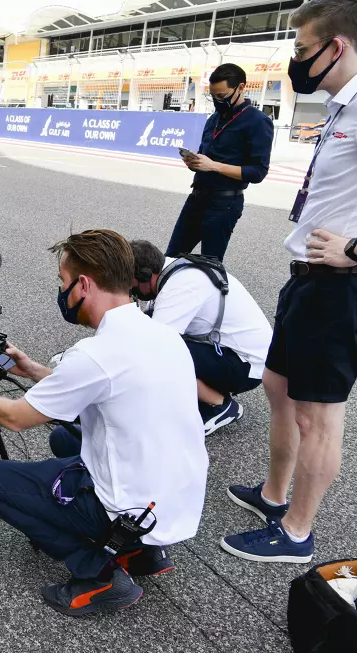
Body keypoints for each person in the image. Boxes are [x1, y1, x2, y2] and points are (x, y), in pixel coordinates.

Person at [0, 230, 207, 616]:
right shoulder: (162, 335)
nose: (61, 290)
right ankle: (143, 551)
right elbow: (98, 384)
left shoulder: (96, 353)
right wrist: (34, 369)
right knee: (64, 440)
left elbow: (15, 418)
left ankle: (99, 575)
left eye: (62, 282)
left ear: (84, 284)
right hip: (175, 499)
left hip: (131, 507)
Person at [221, 0, 357, 565]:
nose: (295, 61)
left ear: (338, 47)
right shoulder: (340, 108)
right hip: (305, 279)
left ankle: (297, 533)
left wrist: (355, 250)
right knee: (278, 389)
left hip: (338, 287)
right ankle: (275, 497)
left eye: (302, 50)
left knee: (316, 414)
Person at [130, 240, 272, 435]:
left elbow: (155, 345)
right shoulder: (172, 268)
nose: (130, 290)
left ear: (145, 274)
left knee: (161, 354)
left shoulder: (182, 286)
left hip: (245, 366)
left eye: (130, 284)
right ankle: (199, 393)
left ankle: (220, 405)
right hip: (234, 352)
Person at [167, 63, 274, 261]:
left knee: (210, 266)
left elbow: (258, 172)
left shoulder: (258, 121)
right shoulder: (213, 119)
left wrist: (213, 166)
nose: (217, 101)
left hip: (225, 204)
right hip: (197, 198)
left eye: (222, 96)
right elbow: (204, 155)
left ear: (241, 88)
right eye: (213, 96)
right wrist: (195, 162)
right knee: (172, 258)